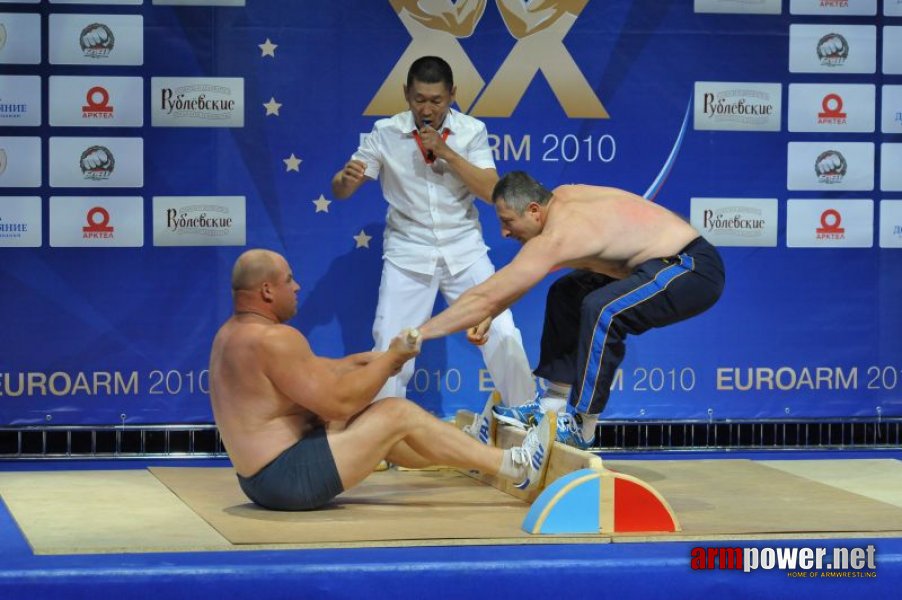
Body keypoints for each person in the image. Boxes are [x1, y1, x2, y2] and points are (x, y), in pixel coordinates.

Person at [208, 249, 554, 511]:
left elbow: (319, 370)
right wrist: (391, 360)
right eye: (289, 280)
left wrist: (379, 357)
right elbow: (339, 403)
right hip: (285, 479)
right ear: (267, 291)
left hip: (257, 482)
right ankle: (518, 466)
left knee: (382, 432)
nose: (297, 286)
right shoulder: (275, 339)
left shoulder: (232, 335)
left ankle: (472, 454)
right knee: (394, 413)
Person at [415, 172, 726, 449]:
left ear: (534, 211)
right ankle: (553, 404)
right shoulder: (563, 195)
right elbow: (516, 281)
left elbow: (487, 293)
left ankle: (583, 426)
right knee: (567, 292)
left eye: (508, 221)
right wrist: (491, 311)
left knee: (603, 310)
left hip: (692, 268)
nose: (505, 233)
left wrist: (418, 334)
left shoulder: (558, 236)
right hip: (655, 261)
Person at [331, 55, 535, 408]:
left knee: (501, 332)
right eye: (420, 99)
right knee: (390, 343)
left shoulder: (471, 131)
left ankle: (526, 419)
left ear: (452, 95)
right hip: (408, 252)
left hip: (464, 249)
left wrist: (446, 153)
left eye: (436, 101)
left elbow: (491, 191)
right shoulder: (385, 132)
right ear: (406, 94)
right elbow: (342, 189)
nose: (427, 109)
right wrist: (344, 181)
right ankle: (382, 435)